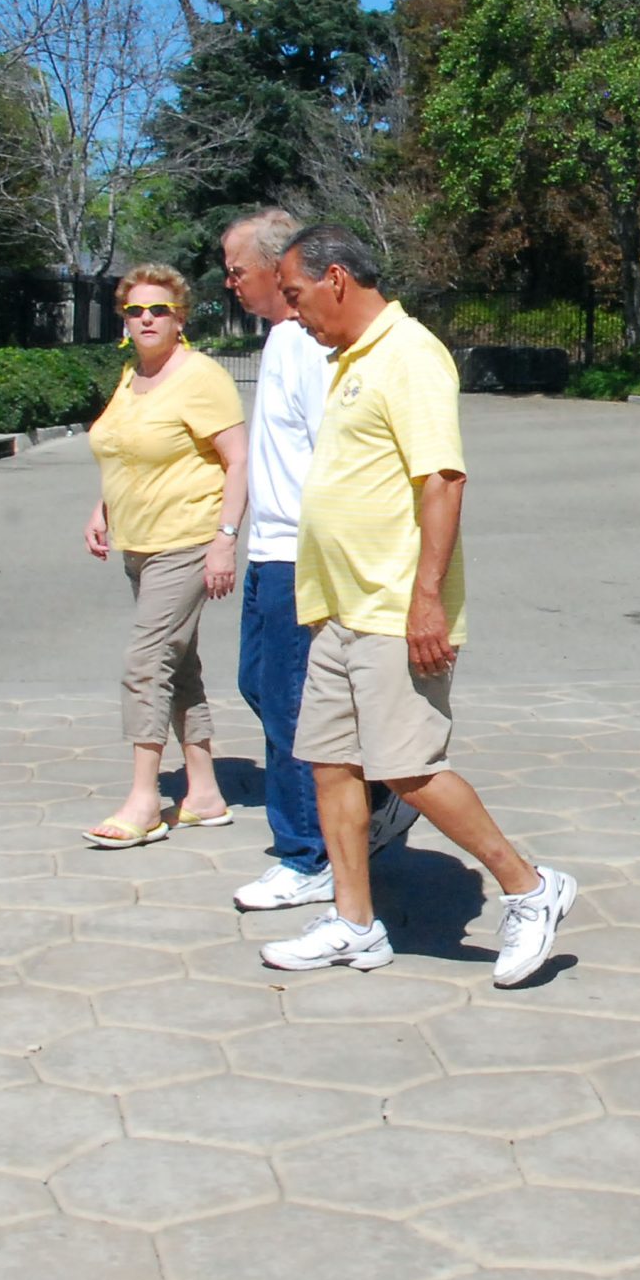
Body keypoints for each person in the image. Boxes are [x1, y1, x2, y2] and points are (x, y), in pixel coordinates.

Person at [263, 224, 578, 985]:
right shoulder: (350, 361)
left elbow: (443, 479)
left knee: (408, 769)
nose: (294, 314)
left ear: (337, 279)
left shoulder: (408, 354)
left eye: (297, 295)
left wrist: (426, 601)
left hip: (393, 608)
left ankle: (530, 888)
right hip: (341, 608)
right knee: (331, 765)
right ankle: (354, 923)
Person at [219, 208, 417, 911]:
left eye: (238, 269)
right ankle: (370, 801)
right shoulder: (282, 340)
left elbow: (331, 449)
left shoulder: (308, 345)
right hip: (270, 548)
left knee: (292, 708)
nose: (231, 282)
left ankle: (308, 854)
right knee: (259, 685)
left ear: (278, 267)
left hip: (299, 553)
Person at [82, 264, 249, 849]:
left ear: (181, 318)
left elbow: (238, 459)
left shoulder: (200, 377)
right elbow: (124, 449)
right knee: (178, 665)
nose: (146, 319)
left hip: (187, 540)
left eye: (159, 310)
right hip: (139, 543)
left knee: (146, 661)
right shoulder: (134, 376)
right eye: (135, 311)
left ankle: (144, 799)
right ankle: (203, 793)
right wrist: (103, 507)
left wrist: (225, 539)